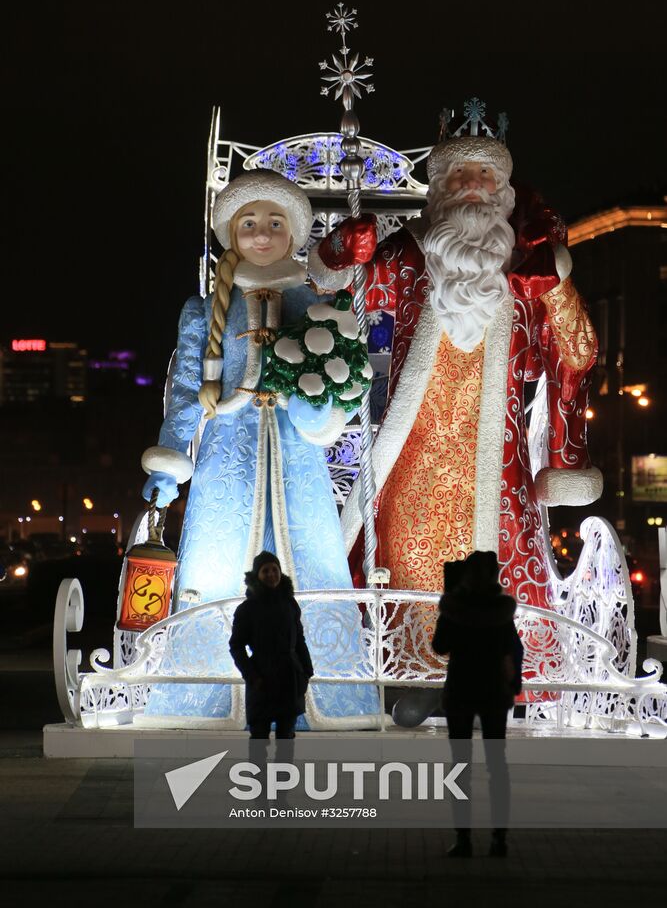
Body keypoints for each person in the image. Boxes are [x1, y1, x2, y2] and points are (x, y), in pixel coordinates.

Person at [316, 101, 602, 611]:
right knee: (405, 587)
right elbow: (344, 291)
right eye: (459, 172)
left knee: (503, 591)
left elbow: (578, 353)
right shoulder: (410, 253)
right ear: (440, 186)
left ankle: (501, 682)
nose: (473, 183)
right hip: (411, 466)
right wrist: (342, 249)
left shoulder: (528, 269)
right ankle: (405, 678)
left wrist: (556, 287)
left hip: (499, 470)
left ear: (505, 189)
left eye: (485, 173)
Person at [140, 169, 381, 729]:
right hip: (228, 453)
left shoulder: (316, 302)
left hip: (297, 452)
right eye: (249, 223)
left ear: (295, 233)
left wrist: (328, 404)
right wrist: (173, 459)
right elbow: (183, 391)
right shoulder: (204, 311)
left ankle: (325, 698)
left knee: (312, 562)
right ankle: (207, 695)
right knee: (217, 564)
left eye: (275, 222)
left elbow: (339, 377)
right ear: (230, 232)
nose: (262, 233)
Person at [432, 550, 523, 858]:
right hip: (494, 692)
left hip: (460, 689)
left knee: (460, 766)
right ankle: (499, 838)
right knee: (498, 767)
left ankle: (463, 838)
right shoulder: (501, 610)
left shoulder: (455, 609)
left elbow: (439, 645)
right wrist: (514, 685)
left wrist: (450, 603)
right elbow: (514, 649)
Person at [229, 551, 313, 740]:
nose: (271, 574)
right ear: (257, 575)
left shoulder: (290, 604)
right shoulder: (247, 609)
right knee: (259, 738)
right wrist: (252, 676)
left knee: (286, 738)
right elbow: (236, 646)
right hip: (262, 678)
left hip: (289, 679)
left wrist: (306, 671)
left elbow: (299, 639)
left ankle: (283, 771)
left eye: (274, 570)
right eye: (265, 570)